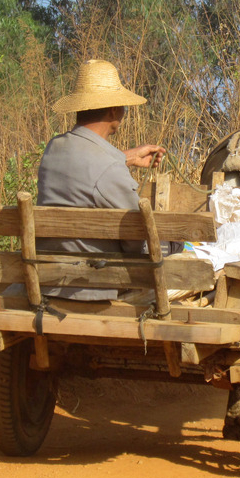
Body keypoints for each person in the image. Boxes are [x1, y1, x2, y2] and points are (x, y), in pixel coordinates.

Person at [36, 58, 165, 301]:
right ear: (114, 110)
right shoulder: (110, 169)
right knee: (172, 246)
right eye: (123, 106)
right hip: (93, 287)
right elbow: (136, 240)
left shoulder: (52, 150)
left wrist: (127, 156)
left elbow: (85, 169)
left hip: (49, 280)